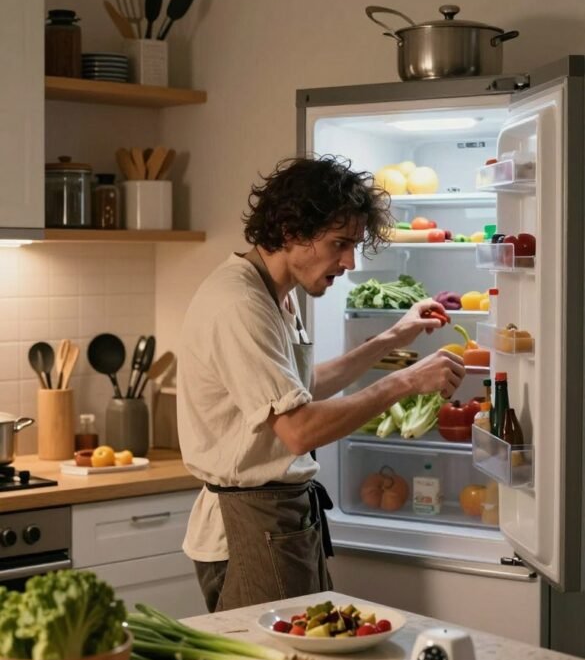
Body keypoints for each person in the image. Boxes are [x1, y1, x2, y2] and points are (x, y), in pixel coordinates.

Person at [177, 155, 465, 612]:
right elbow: (298, 429)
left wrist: (393, 337)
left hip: (282, 518)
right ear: (293, 232)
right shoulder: (238, 303)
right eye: (340, 243)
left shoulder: (277, 295)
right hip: (250, 524)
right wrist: (404, 382)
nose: (350, 261)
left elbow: (303, 386)